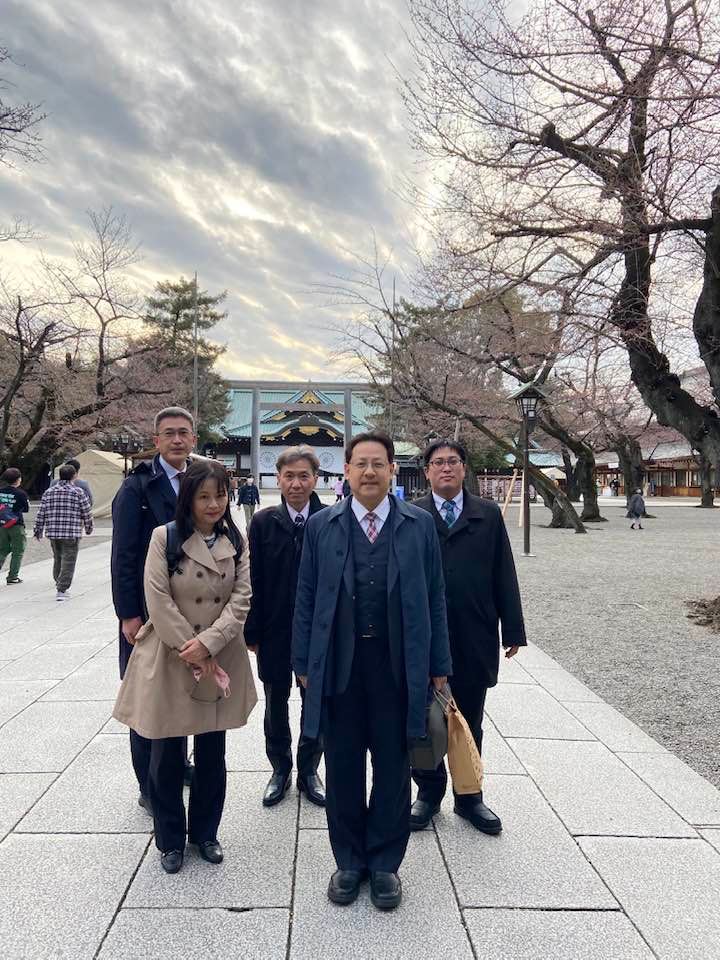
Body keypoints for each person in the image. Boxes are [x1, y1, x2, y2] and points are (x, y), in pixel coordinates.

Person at [292, 430, 451, 912]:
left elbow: (435, 597)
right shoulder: (323, 525)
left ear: (391, 470)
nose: (368, 472)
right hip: (339, 665)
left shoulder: (418, 525)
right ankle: (349, 861)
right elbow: (305, 597)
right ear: (346, 471)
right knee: (340, 766)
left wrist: (439, 665)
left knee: (390, 764)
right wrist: (302, 662)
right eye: (359, 464)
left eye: (377, 463)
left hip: (397, 666)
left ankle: (384, 864)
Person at [113, 459, 257, 874]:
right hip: (172, 655)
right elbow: (156, 597)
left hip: (219, 653)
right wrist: (189, 646)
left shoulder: (237, 540)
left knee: (213, 752)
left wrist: (209, 643)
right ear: (188, 498)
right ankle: (170, 839)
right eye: (204, 496)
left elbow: (242, 597)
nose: (214, 504)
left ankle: (206, 833)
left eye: (221, 495)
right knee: (166, 752)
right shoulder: (164, 537)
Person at [410, 440, 526, 834]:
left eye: (453, 462)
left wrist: (513, 628)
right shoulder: (412, 515)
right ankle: (427, 793)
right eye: (438, 462)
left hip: (475, 630)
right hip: (423, 636)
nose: (446, 468)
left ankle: (469, 796)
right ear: (426, 471)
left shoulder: (488, 515)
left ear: (464, 469)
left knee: (470, 718)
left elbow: (503, 573)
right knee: (424, 718)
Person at [111, 406, 196, 817]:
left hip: (192, 610)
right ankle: (147, 781)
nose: (177, 440)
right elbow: (124, 555)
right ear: (156, 440)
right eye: (169, 434)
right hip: (147, 612)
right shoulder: (138, 487)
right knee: (148, 698)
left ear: (193, 438)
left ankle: (177, 765)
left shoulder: (200, 480)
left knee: (180, 693)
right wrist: (127, 613)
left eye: (184, 432)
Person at [245, 445, 326, 808]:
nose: (296, 483)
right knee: (275, 700)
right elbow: (252, 580)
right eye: (289, 476)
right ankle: (280, 768)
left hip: (319, 631)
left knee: (316, 702)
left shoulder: (330, 518)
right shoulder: (263, 523)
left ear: (316, 479)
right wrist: (253, 631)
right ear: (277, 479)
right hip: (276, 628)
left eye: (304, 476)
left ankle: (310, 769)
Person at [33, 463, 93, 600]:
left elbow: (41, 512)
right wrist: (89, 527)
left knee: (58, 558)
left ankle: (58, 582)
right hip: (71, 532)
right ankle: (62, 589)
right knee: (69, 560)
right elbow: (86, 511)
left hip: (53, 531)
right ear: (74, 476)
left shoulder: (49, 492)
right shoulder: (78, 492)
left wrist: (38, 530)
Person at [0, 468, 30, 584]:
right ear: (18, 480)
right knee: (18, 550)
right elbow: (26, 509)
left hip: (1, 524)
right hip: (16, 524)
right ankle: (12, 576)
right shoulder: (21, 493)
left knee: (2, 549)